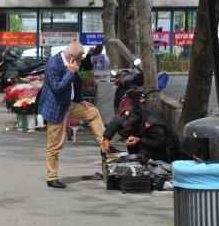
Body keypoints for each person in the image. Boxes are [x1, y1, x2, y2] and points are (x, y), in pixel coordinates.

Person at [38, 41, 106, 189]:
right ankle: (52, 177)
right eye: (80, 58)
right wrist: (70, 72)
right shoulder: (53, 64)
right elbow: (57, 88)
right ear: (71, 56)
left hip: (70, 103)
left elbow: (77, 81)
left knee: (92, 112)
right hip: (56, 107)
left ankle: (104, 143)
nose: (81, 61)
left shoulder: (73, 62)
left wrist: (81, 100)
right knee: (55, 145)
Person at [101, 108, 179, 162]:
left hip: (166, 147)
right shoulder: (132, 116)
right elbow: (115, 123)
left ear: (138, 126)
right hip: (149, 139)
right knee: (132, 146)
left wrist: (140, 140)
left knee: (143, 155)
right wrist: (106, 139)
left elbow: (159, 143)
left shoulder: (154, 124)